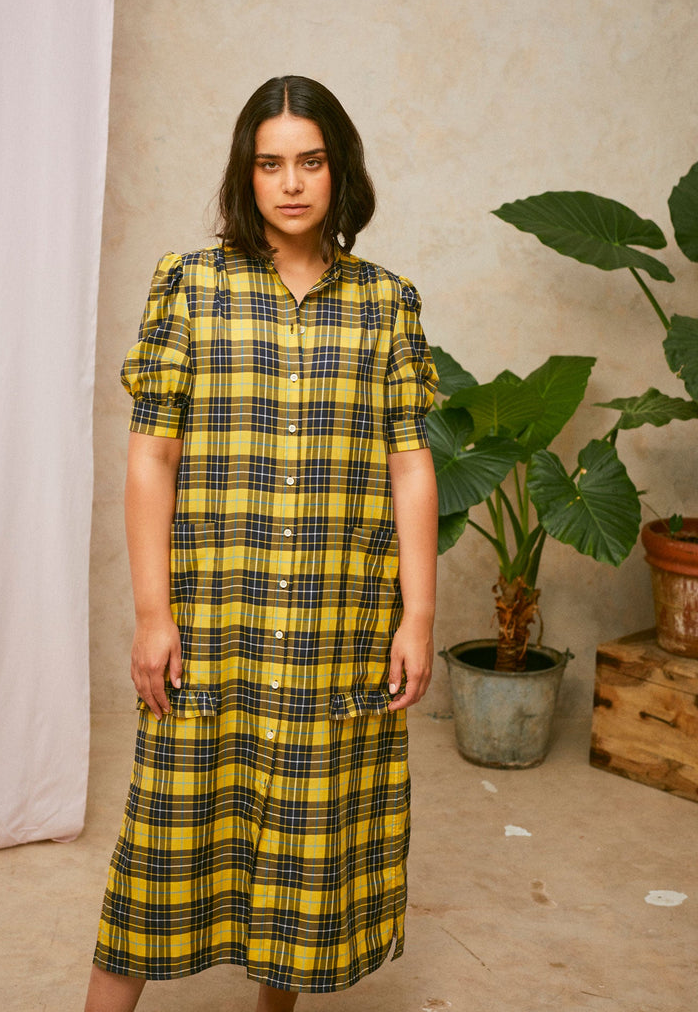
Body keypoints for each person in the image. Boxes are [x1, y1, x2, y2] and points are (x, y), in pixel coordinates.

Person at [85, 76, 439, 1012]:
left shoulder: (386, 303)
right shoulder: (190, 287)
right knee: (161, 854)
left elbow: (411, 465)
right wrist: (154, 615)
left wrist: (420, 614)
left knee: (301, 862)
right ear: (247, 174)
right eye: (271, 163)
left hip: (335, 630)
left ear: (340, 170)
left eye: (311, 161)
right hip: (215, 622)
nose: (292, 184)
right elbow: (150, 458)